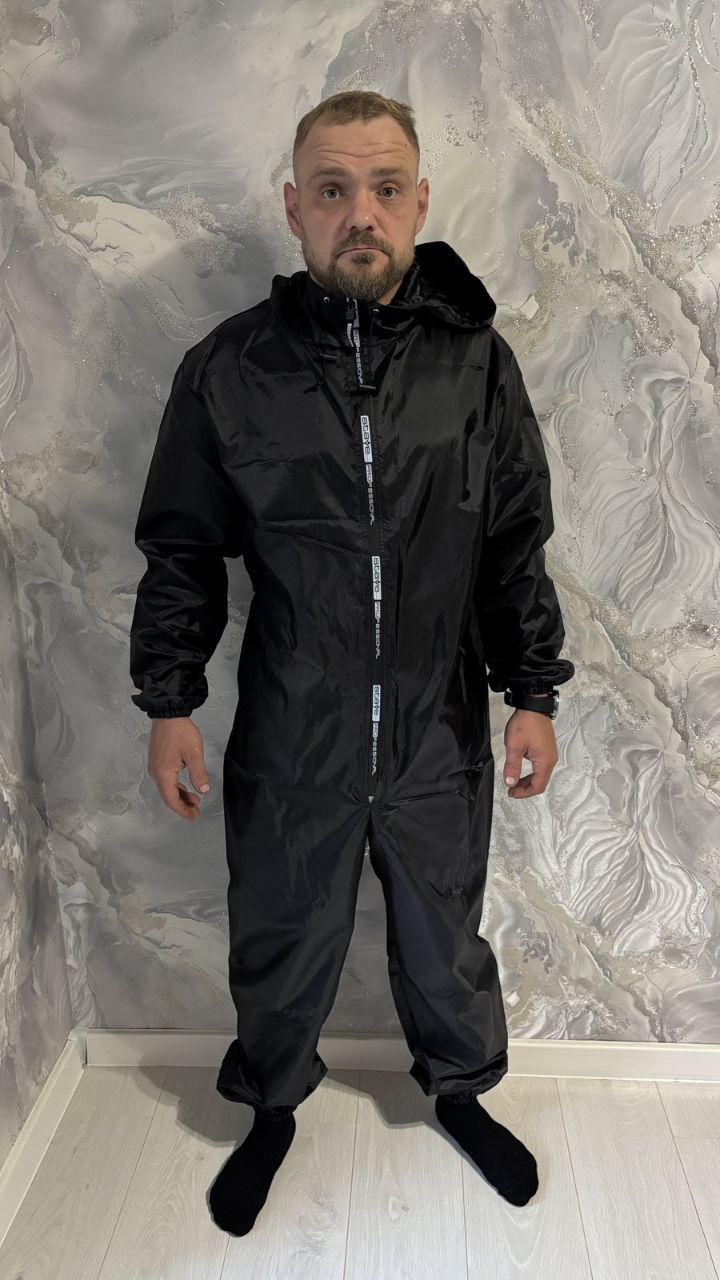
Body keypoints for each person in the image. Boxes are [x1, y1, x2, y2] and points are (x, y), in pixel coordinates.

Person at [129, 90, 575, 1237]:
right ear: (295, 208)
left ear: (419, 202)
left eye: (383, 188)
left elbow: (513, 541)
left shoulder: (476, 365)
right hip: (295, 722)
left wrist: (532, 692)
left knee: (444, 932)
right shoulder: (231, 368)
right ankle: (272, 1104)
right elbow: (183, 548)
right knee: (281, 926)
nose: (359, 213)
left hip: (438, 722)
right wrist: (170, 703)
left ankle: (460, 1088)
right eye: (333, 190)